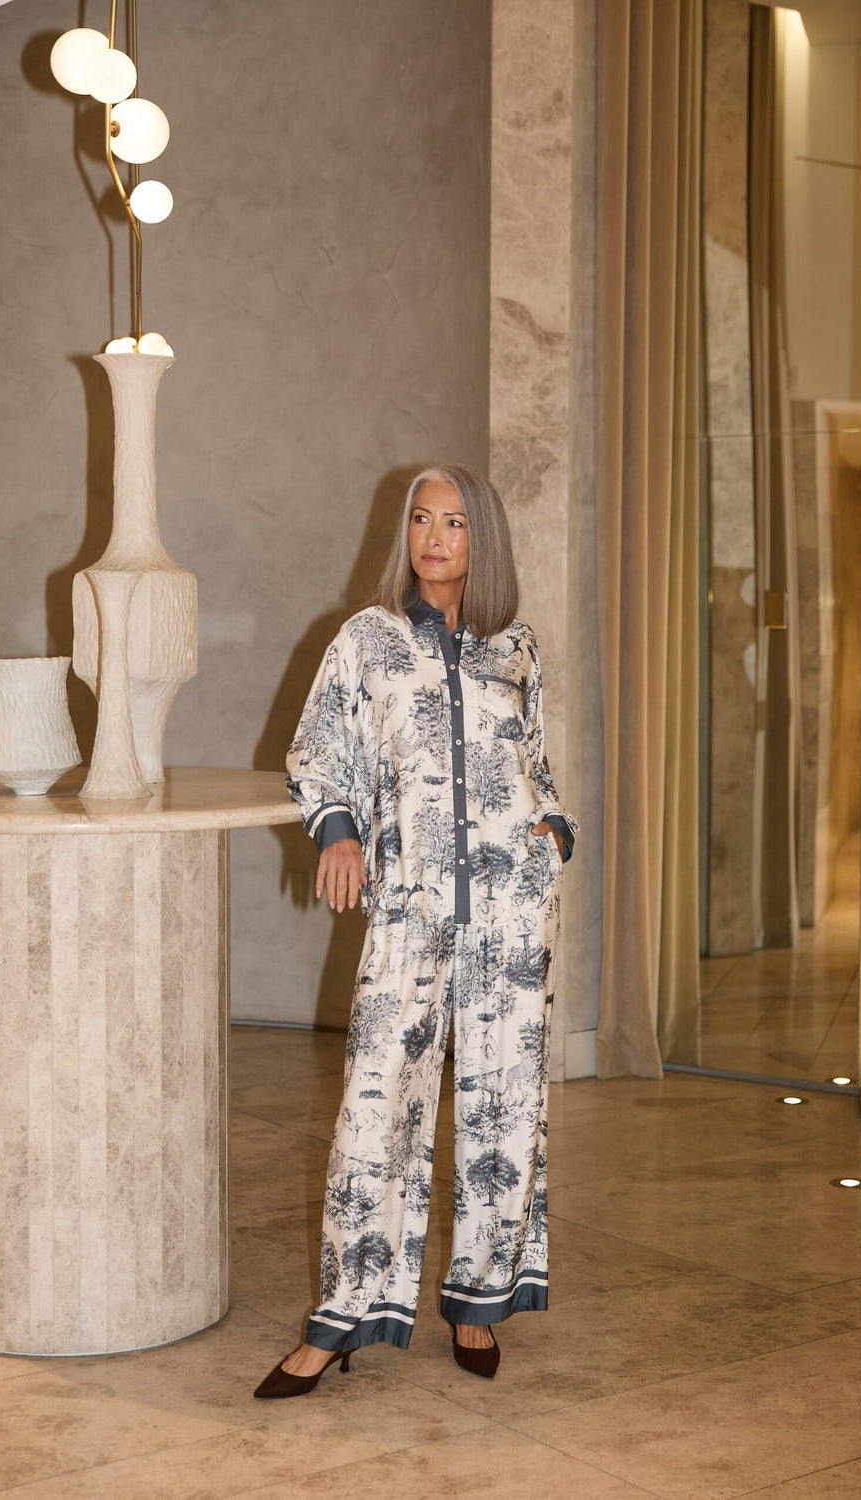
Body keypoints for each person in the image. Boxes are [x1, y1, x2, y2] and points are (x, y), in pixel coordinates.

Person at [254, 463, 578, 1398]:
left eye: (455, 522)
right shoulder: (367, 641)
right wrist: (338, 831)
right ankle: (341, 1318)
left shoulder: (516, 646)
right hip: (410, 908)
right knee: (376, 1109)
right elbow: (317, 754)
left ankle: (479, 1302)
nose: (434, 538)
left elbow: (536, 764)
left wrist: (554, 832)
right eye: (422, 520)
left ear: (484, 539)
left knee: (504, 1104)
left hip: (514, 912)